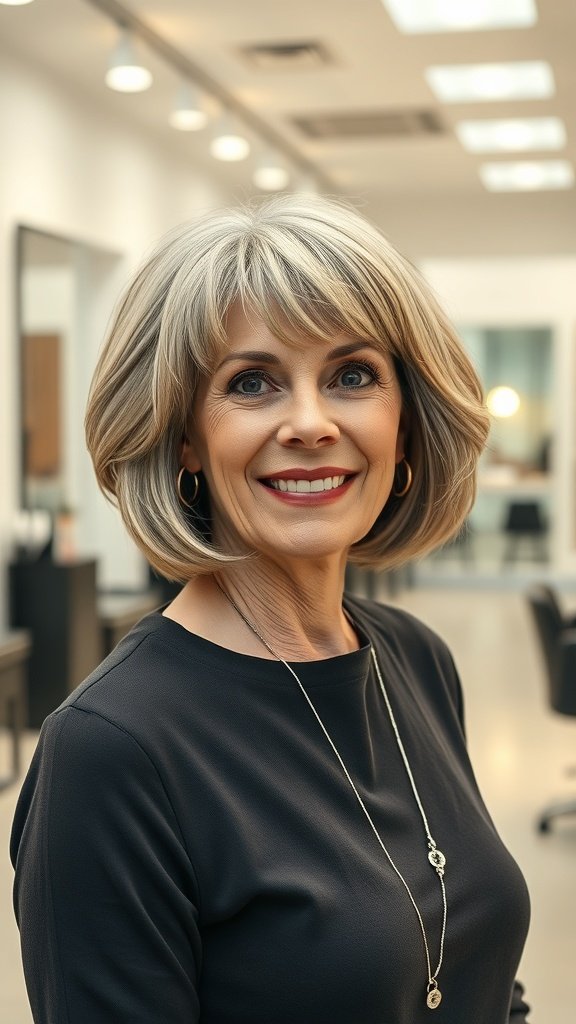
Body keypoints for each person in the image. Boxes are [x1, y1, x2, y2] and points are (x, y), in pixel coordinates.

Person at [11, 194, 531, 1023]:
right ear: (184, 437)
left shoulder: (415, 657)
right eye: (251, 383)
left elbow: (483, 984)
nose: (310, 423)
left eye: (352, 375)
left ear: (406, 418)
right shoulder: (111, 752)